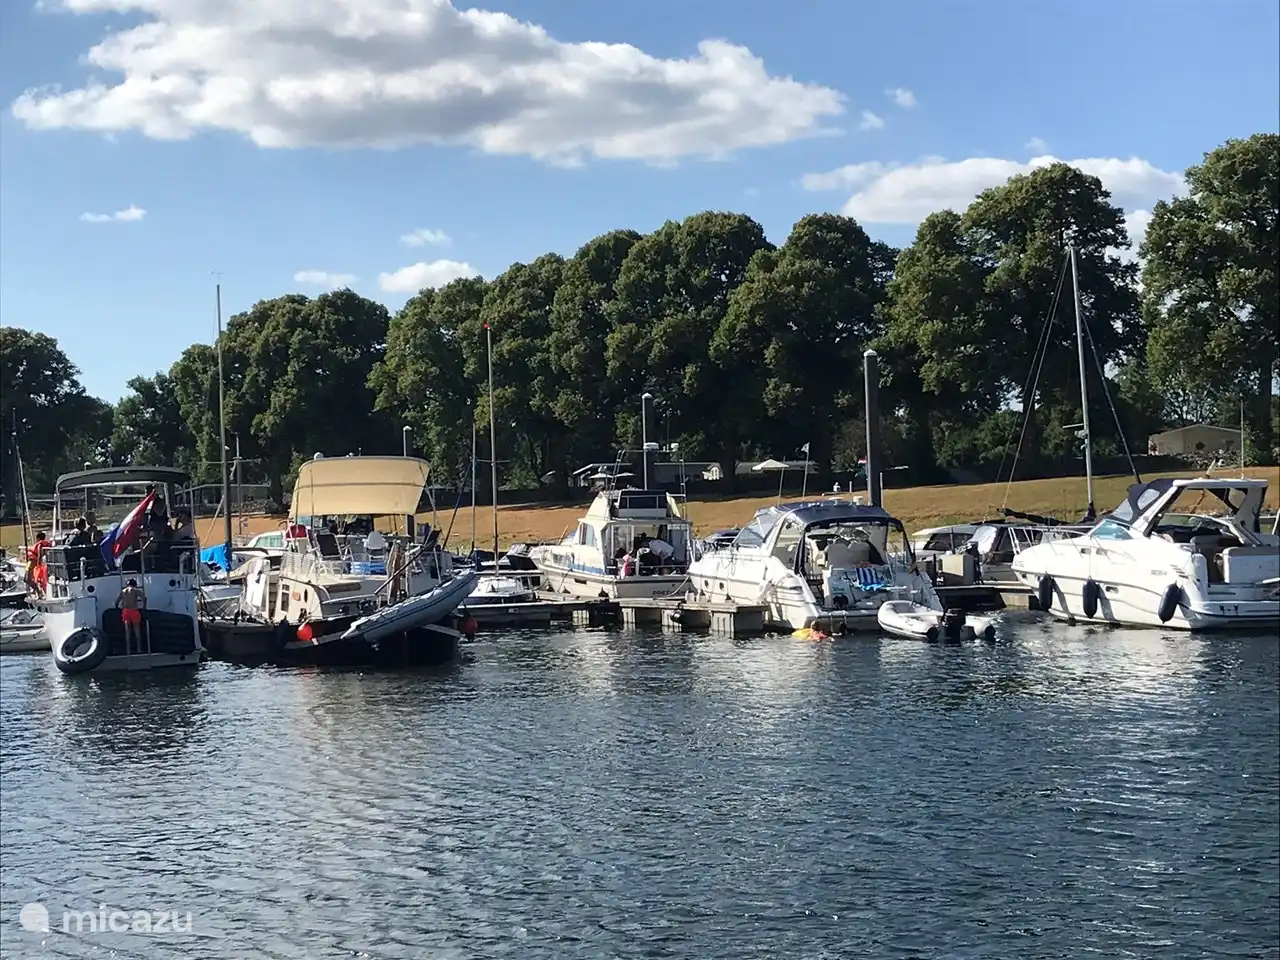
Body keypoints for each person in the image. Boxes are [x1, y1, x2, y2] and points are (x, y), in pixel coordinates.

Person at [116, 578, 146, 649]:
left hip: (125, 611)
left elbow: (116, 602)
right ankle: (139, 649)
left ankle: (128, 649)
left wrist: (117, 609)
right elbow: (144, 598)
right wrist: (144, 607)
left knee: (127, 630)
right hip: (134, 611)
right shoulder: (136, 591)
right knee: (136, 629)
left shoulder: (123, 591)